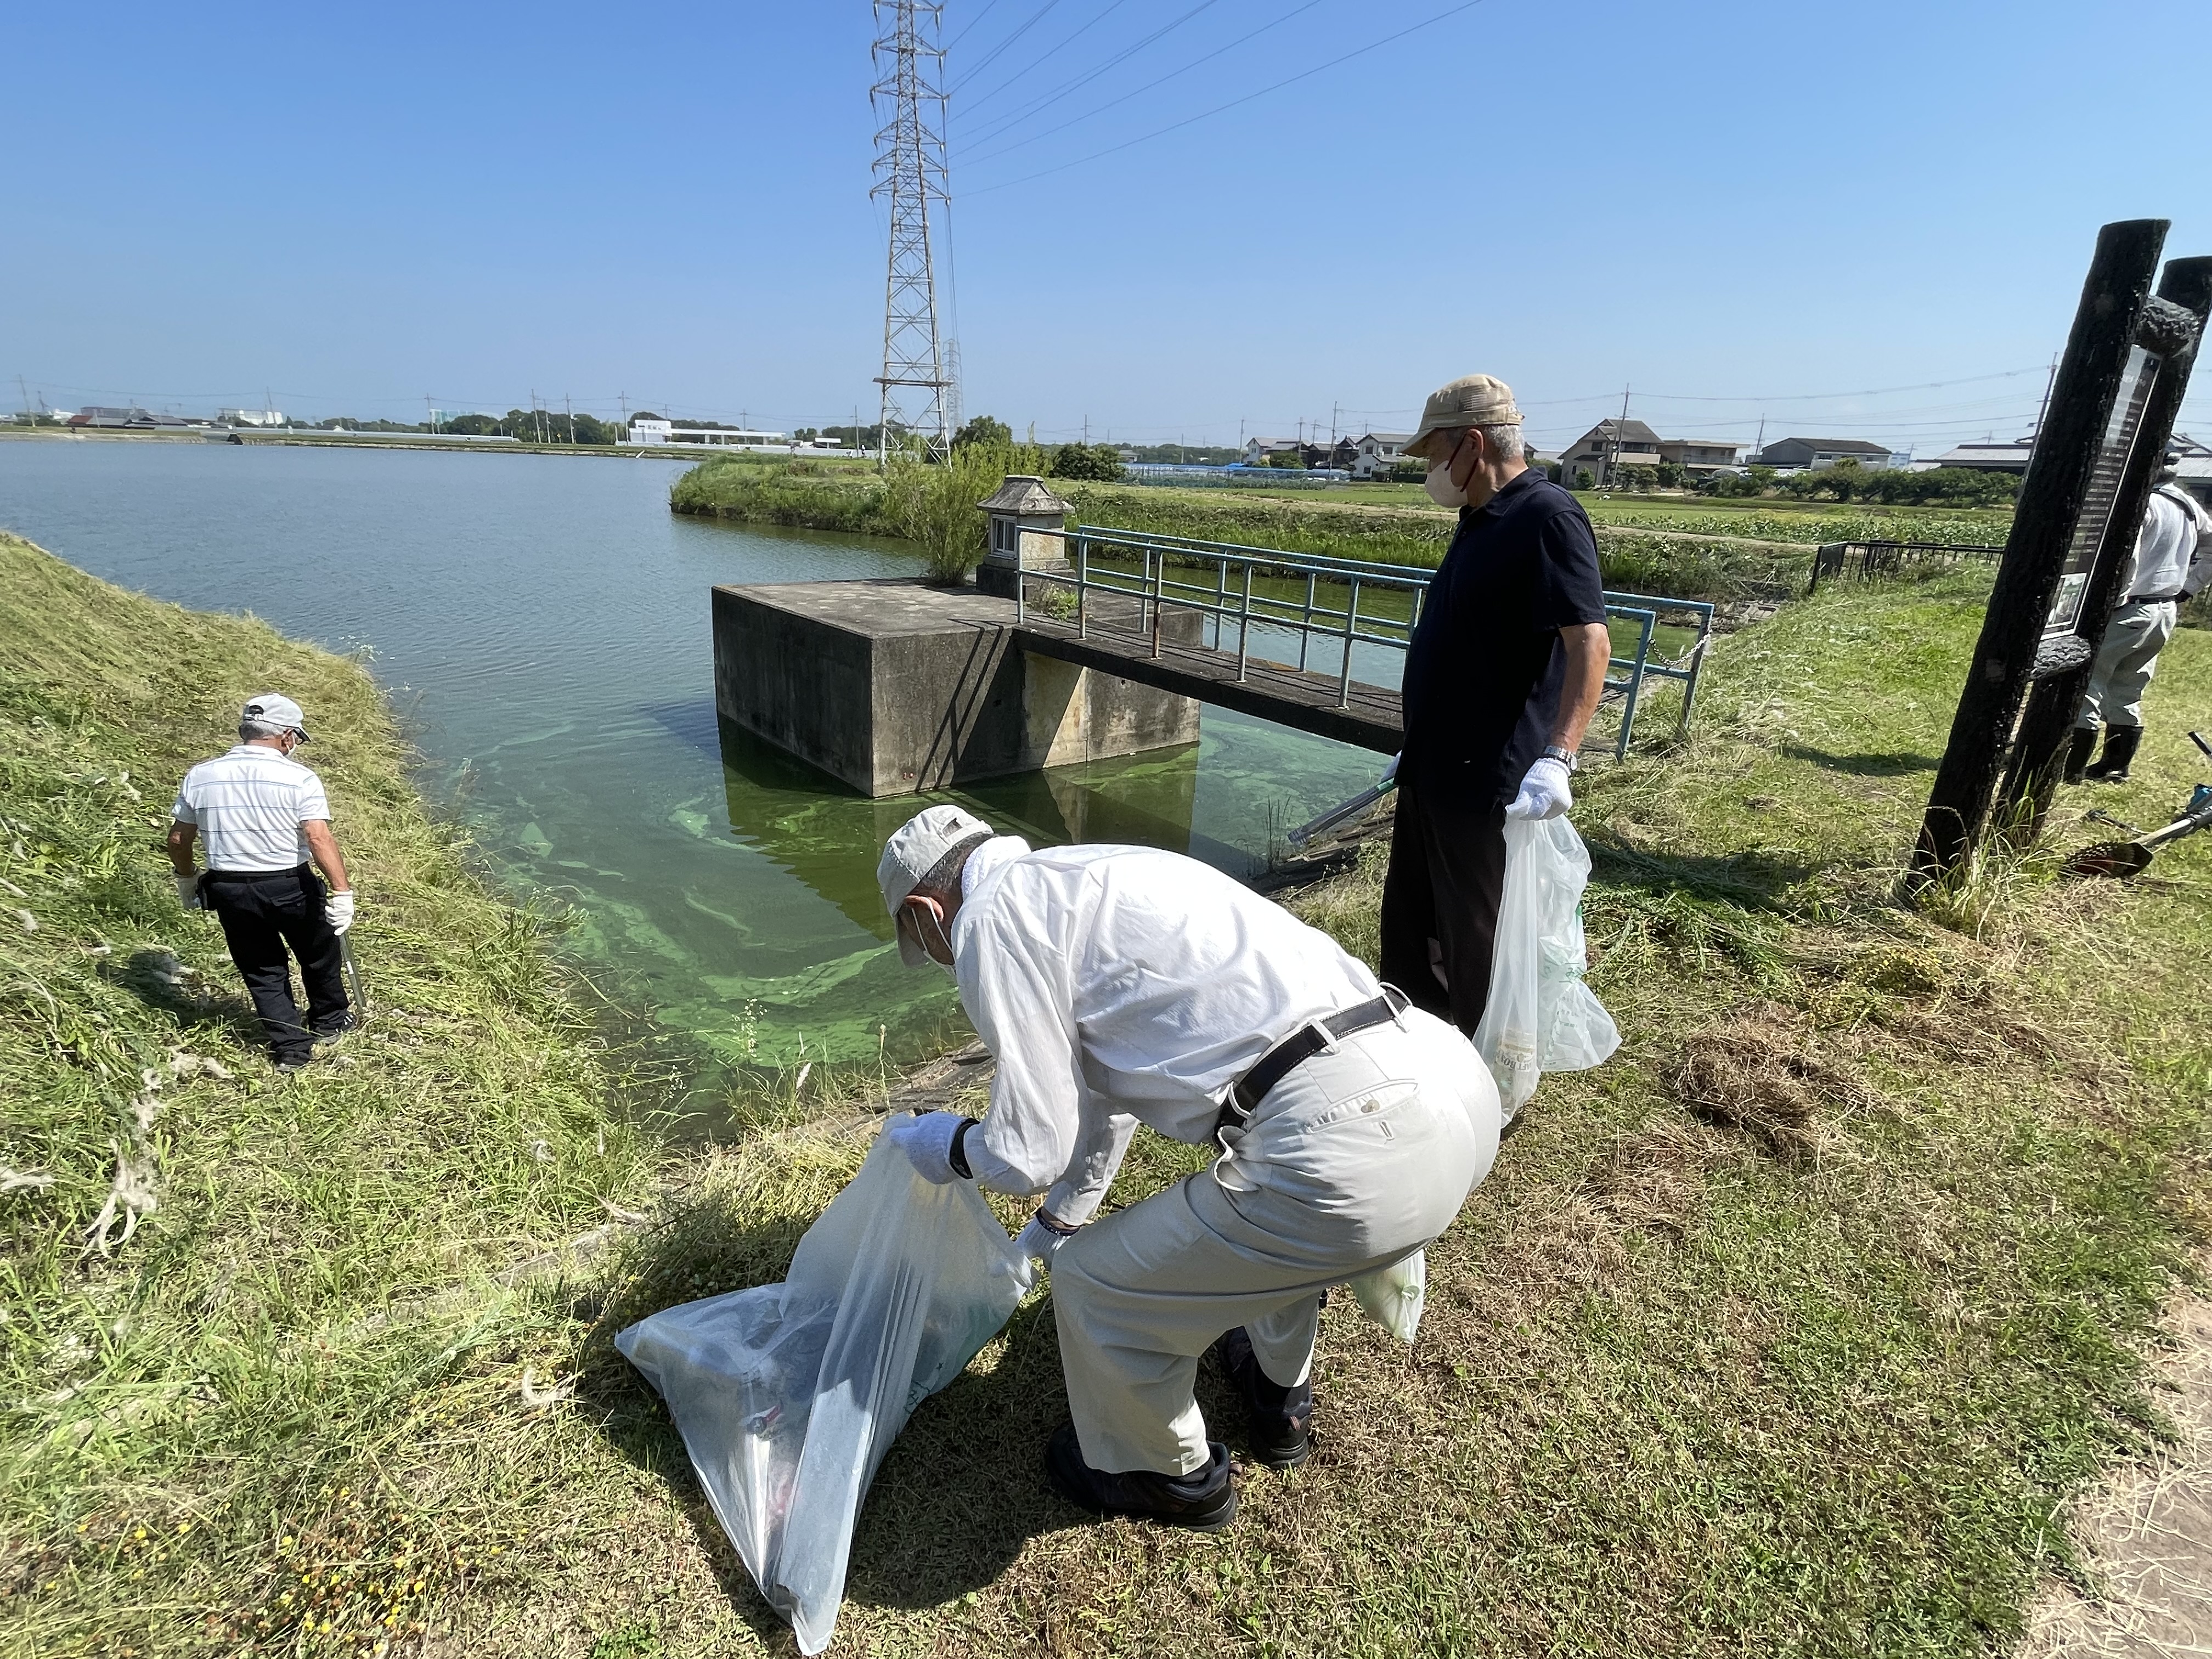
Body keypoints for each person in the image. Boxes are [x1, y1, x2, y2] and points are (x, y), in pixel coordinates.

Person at [874, 803, 1499, 1530]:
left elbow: (1027, 1150)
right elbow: (1100, 1096)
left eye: (924, 944)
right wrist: (1058, 1219)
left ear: (926, 910)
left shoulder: (987, 920)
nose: (938, 961)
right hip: (1441, 1074)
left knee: (1093, 1284)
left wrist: (939, 1146)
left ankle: (1168, 1475)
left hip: (1353, 1140)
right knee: (1268, 1234)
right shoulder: (1085, 874)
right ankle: (1279, 1402)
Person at [1381, 374, 1611, 1046]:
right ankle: (1421, 1055)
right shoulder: (1479, 517)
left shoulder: (1546, 516)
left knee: (1473, 936)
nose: (1429, 471)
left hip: (1486, 777)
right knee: (1412, 925)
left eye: (1433, 455)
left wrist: (1559, 755)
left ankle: (1491, 1081)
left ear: (1472, 443)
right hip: (1432, 766)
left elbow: (1588, 640)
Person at [168, 693, 356, 1071]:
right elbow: (318, 837)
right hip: (290, 885)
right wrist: (341, 891)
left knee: (261, 968)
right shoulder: (298, 777)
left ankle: (291, 1050)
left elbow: (178, 839)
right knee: (319, 953)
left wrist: (188, 880)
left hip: (230, 889)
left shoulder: (201, 775)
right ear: (286, 736)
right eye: (297, 740)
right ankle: (330, 1021)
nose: (295, 747)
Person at [2067, 461, 2211, 783]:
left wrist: (2114, 601)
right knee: (2129, 688)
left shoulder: (2141, 504)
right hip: (2164, 610)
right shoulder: (2188, 505)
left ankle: (2071, 768)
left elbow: (2127, 559)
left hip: (2129, 608)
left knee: (2088, 683)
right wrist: (2190, 587)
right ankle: (2116, 766)